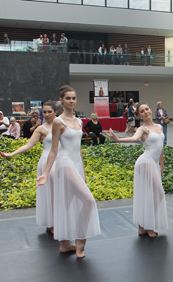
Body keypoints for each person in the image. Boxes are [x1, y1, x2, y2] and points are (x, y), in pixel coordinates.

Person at [37, 85, 101, 259]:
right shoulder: (58, 121)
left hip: (76, 165)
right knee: (88, 200)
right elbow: (54, 150)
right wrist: (45, 172)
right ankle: (80, 242)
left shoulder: (79, 121)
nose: (71, 101)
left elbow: (78, 148)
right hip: (64, 165)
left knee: (68, 203)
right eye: (68, 98)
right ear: (61, 101)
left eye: (73, 98)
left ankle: (65, 244)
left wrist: (83, 171)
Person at [106, 103, 168, 238]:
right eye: (142, 111)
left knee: (151, 194)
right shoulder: (142, 129)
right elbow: (134, 138)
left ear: (151, 110)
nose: (145, 112)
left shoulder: (159, 127)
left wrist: (161, 165)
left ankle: (143, 226)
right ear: (139, 115)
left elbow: (160, 147)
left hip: (154, 163)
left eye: (147, 109)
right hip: (145, 163)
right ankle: (148, 225)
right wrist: (117, 139)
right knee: (157, 194)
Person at [1, 101, 58, 233]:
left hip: (60, 161)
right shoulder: (40, 129)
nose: (47, 114)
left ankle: (56, 221)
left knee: (58, 192)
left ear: (55, 112)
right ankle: (50, 223)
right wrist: (11, 154)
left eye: (50, 111)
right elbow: (27, 145)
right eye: (45, 112)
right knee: (48, 193)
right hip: (46, 162)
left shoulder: (62, 126)